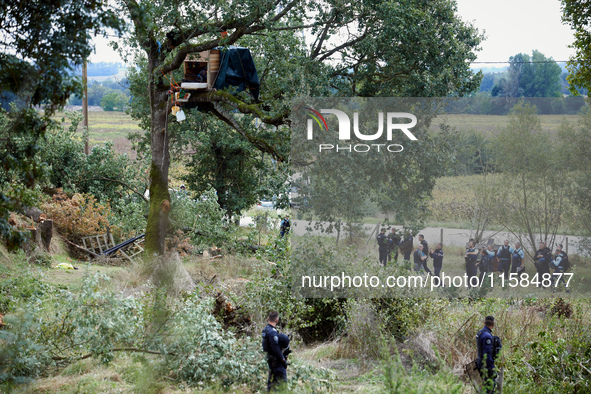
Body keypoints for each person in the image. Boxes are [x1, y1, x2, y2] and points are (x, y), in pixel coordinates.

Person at [262, 311, 287, 391]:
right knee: (281, 385)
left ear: (268, 318)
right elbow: (275, 348)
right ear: (277, 320)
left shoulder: (265, 329)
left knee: (272, 383)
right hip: (276, 362)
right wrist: (283, 359)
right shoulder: (272, 332)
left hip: (270, 360)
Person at [476, 316, 500, 394]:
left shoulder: (480, 332)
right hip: (486, 366)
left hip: (480, 363)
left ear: (484, 323)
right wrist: (492, 367)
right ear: (493, 324)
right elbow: (487, 354)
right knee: (490, 388)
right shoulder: (487, 336)